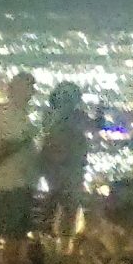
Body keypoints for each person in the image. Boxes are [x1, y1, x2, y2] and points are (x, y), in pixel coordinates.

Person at [0, 72, 41, 264]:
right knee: (12, 229)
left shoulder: (11, 113)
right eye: (27, 87)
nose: (31, 92)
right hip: (12, 180)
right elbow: (5, 146)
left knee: (1, 226)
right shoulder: (12, 115)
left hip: (11, 179)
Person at [38, 82, 93, 242]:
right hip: (62, 165)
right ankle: (56, 237)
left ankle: (57, 238)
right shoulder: (63, 116)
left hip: (67, 165)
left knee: (65, 202)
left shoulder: (57, 116)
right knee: (63, 200)